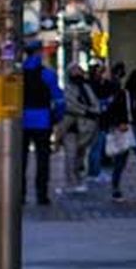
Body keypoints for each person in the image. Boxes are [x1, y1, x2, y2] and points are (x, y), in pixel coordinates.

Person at [106, 67, 136, 202]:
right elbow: (112, 112)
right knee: (120, 162)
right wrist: (119, 123)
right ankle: (115, 188)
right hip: (127, 129)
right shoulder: (124, 94)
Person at [22, 46, 63, 206]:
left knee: (20, 160)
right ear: (39, 53)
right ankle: (42, 194)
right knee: (43, 160)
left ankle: (20, 194)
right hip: (42, 120)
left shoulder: (18, 73)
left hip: (22, 122)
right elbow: (59, 100)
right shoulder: (47, 74)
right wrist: (56, 118)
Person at [61, 63, 100, 194]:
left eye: (79, 71)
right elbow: (70, 105)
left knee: (80, 155)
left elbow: (94, 103)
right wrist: (87, 111)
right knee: (70, 155)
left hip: (86, 126)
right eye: (74, 71)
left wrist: (93, 111)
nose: (77, 73)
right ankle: (71, 181)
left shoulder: (86, 87)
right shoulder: (68, 88)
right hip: (72, 126)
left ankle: (78, 178)